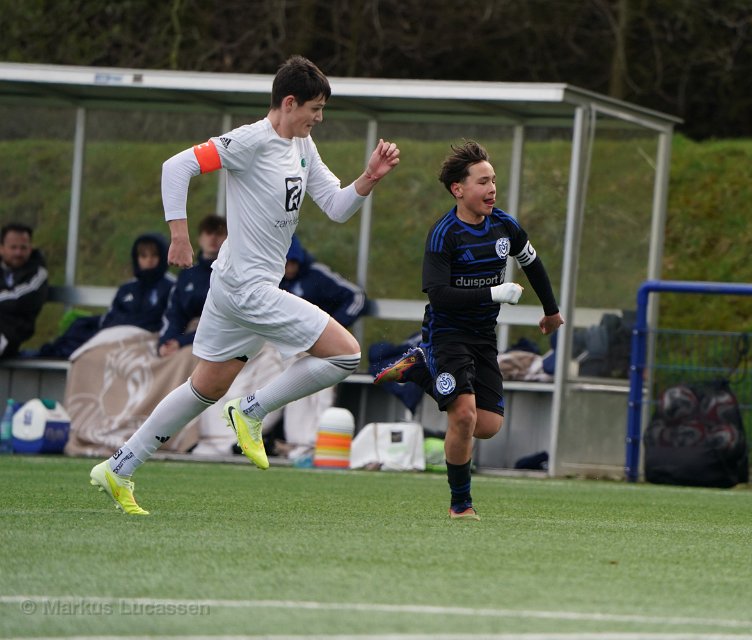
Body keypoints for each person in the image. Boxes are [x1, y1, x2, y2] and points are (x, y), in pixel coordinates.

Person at [89, 54, 400, 515]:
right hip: (246, 289)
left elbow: (336, 207)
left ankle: (119, 466)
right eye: (315, 108)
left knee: (204, 388)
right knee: (345, 354)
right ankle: (252, 409)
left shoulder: (302, 144)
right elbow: (176, 167)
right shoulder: (251, 140)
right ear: (289, 102)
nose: (319, 118)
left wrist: (369, 178)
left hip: (237, 286)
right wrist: (179, 235)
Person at [373, 140, 563, 520]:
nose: (492, 189)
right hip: (446, 334)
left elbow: (532, 263)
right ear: (458, 189)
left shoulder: (505, 225)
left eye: (493, 180)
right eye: (482, 182)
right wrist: (494, 293)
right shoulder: (444, 234)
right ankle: (461, 504)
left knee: (488, 425)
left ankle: (419, 369)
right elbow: (440, 296)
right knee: (463, 416)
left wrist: (551, 311)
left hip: (483, 337)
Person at [33, 233, 175, 359]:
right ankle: (53, 352)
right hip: (116, 331)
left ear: (163, 257)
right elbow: (110, 317)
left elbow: (166, 319)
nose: (149, 260)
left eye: (154, 256)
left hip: (144, 336)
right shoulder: (127, 288)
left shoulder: (170, 286)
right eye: (143, 256)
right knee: (80, 324)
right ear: (136, 258)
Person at [157, 214, 228, 357]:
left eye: (219, 233)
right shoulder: (187, 274)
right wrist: (167, 341)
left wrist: (182, 342)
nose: (213, 238)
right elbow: (175, 313)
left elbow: (225, 320)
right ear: (200, 238)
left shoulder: (232, 274)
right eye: (208, 233)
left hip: (217, 339)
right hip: (186, 336)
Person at [280, 234, 370, 328]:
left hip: (317, 334)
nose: (290, 269)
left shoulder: (317, 275)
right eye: (285, 264)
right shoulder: (274, 280)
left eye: (294, 262)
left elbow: (356, 296)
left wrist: (332, 327)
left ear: (300, 259)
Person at [0, 222, 48, 359]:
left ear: (30, 248)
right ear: (1, 249)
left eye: (23, 248)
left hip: (10, 333)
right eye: (13, 247)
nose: (18, 253)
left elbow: (19, 300)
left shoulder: (37, 272)